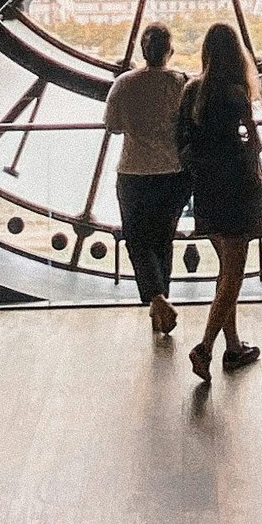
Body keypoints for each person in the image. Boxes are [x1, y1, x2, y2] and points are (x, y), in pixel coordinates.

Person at [174, 22, 262, 380]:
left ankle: (232, 346)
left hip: (209, 193)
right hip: (239, 193)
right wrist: (261, 179)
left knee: (225, 274)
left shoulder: (192, 91)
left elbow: (183, 143)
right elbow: (252, 146)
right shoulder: (236, 94)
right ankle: (206, 348)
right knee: (233, 276)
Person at [105, 24, 192, 334]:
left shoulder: (124, 84)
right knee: (162, 240)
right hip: (173, 174)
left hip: (134, 173)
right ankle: (161, 301)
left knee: (139, 242)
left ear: (142, 50)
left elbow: (113, 125)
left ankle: (157, 300)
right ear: (170, 51)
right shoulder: (181, 83)